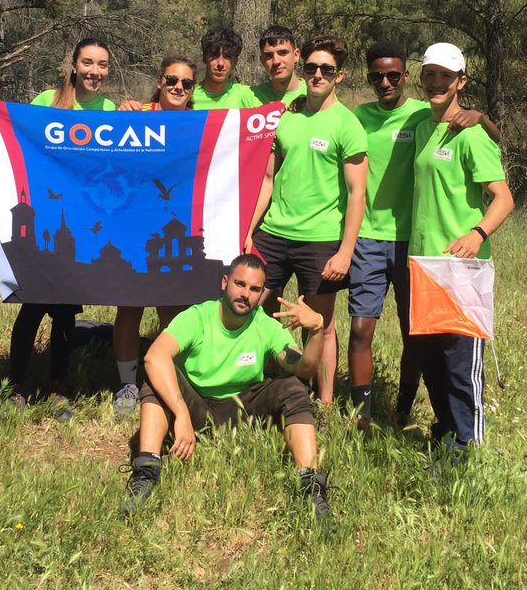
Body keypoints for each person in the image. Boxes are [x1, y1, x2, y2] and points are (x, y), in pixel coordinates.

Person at [0, 37, 116, 417]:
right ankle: (17, 384)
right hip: (44, 216)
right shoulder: (48, 101)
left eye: (102, 65)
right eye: (88, 63)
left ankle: (58, 386)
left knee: (65, 311)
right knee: (32, 306)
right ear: (74, 65)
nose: (95, 71)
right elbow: (15, 137)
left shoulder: (112, 109)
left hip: (78, 222)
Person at [348, 42, 499, 428]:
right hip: (400, 247)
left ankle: (446, 432)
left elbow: (496, 165)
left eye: (445, 77)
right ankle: (418, 426)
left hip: (440, 254)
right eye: (430, 75)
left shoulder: (445, 122)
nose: (385, 81)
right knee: (405, 340)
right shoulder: (392, 120)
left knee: (440, 346)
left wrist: (478, 116)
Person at [123, 254, 332, 519]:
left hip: (246, 410)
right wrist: (182, 414)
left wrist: (316, 331)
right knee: (156, 377)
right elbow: (154, 357)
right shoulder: (197, 317)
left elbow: (303, 367)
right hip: (198, 404)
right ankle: (146, 472)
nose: (246, 294)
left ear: (261, 294)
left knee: (293, 387)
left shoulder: (266, 325)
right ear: (225, 282)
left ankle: (311, 485)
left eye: (255, 289)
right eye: (240, 284)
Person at [246, 35, 368, 406]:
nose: (317, 75)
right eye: (311, 68)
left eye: (326, 69)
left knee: (320, 324)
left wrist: (346, 251)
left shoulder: (347, 124)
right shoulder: (286, 114)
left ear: (339, 76)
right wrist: (249, 232)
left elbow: (357, 194)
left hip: (320, 239)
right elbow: (267, 179)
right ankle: (266, 382)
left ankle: (324, 401)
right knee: (255, 307)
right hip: (273, 233)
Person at [410, 42, 514, 451]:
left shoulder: (471, 135)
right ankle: (448, 437)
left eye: (446, 77)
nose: (437, 83)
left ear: (461, 82)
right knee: (432, 361)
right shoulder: (422, 125)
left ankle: (472, 450)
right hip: (423, 263)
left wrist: (477, 234)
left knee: (460, 363)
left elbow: (503, 198)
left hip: (460, 268)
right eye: (430, 75)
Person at [111, 55, 197, 414]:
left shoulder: (198, 123)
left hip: (175, 226)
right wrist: (119, 114)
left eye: (187, 83)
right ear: (160, 81)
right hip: (133, 226)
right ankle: (128, 385)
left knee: (172, 308)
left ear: (193, 90)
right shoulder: (135, 114)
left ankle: (169, 378)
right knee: (130, 307)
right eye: (172, 80)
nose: (179, 87)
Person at [192, 27, 259, 110]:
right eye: (215, 55)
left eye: (227, 57)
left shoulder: (245, 95)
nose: (220, 63)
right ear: (204, 58)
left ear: (235, 62)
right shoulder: (188, 96)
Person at [252, 25, 307, 106]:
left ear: (296, 55)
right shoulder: (252, 96)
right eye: (268, 55)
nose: (276, 61)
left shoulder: (314, 93)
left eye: (283, 53)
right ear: (262, 61)